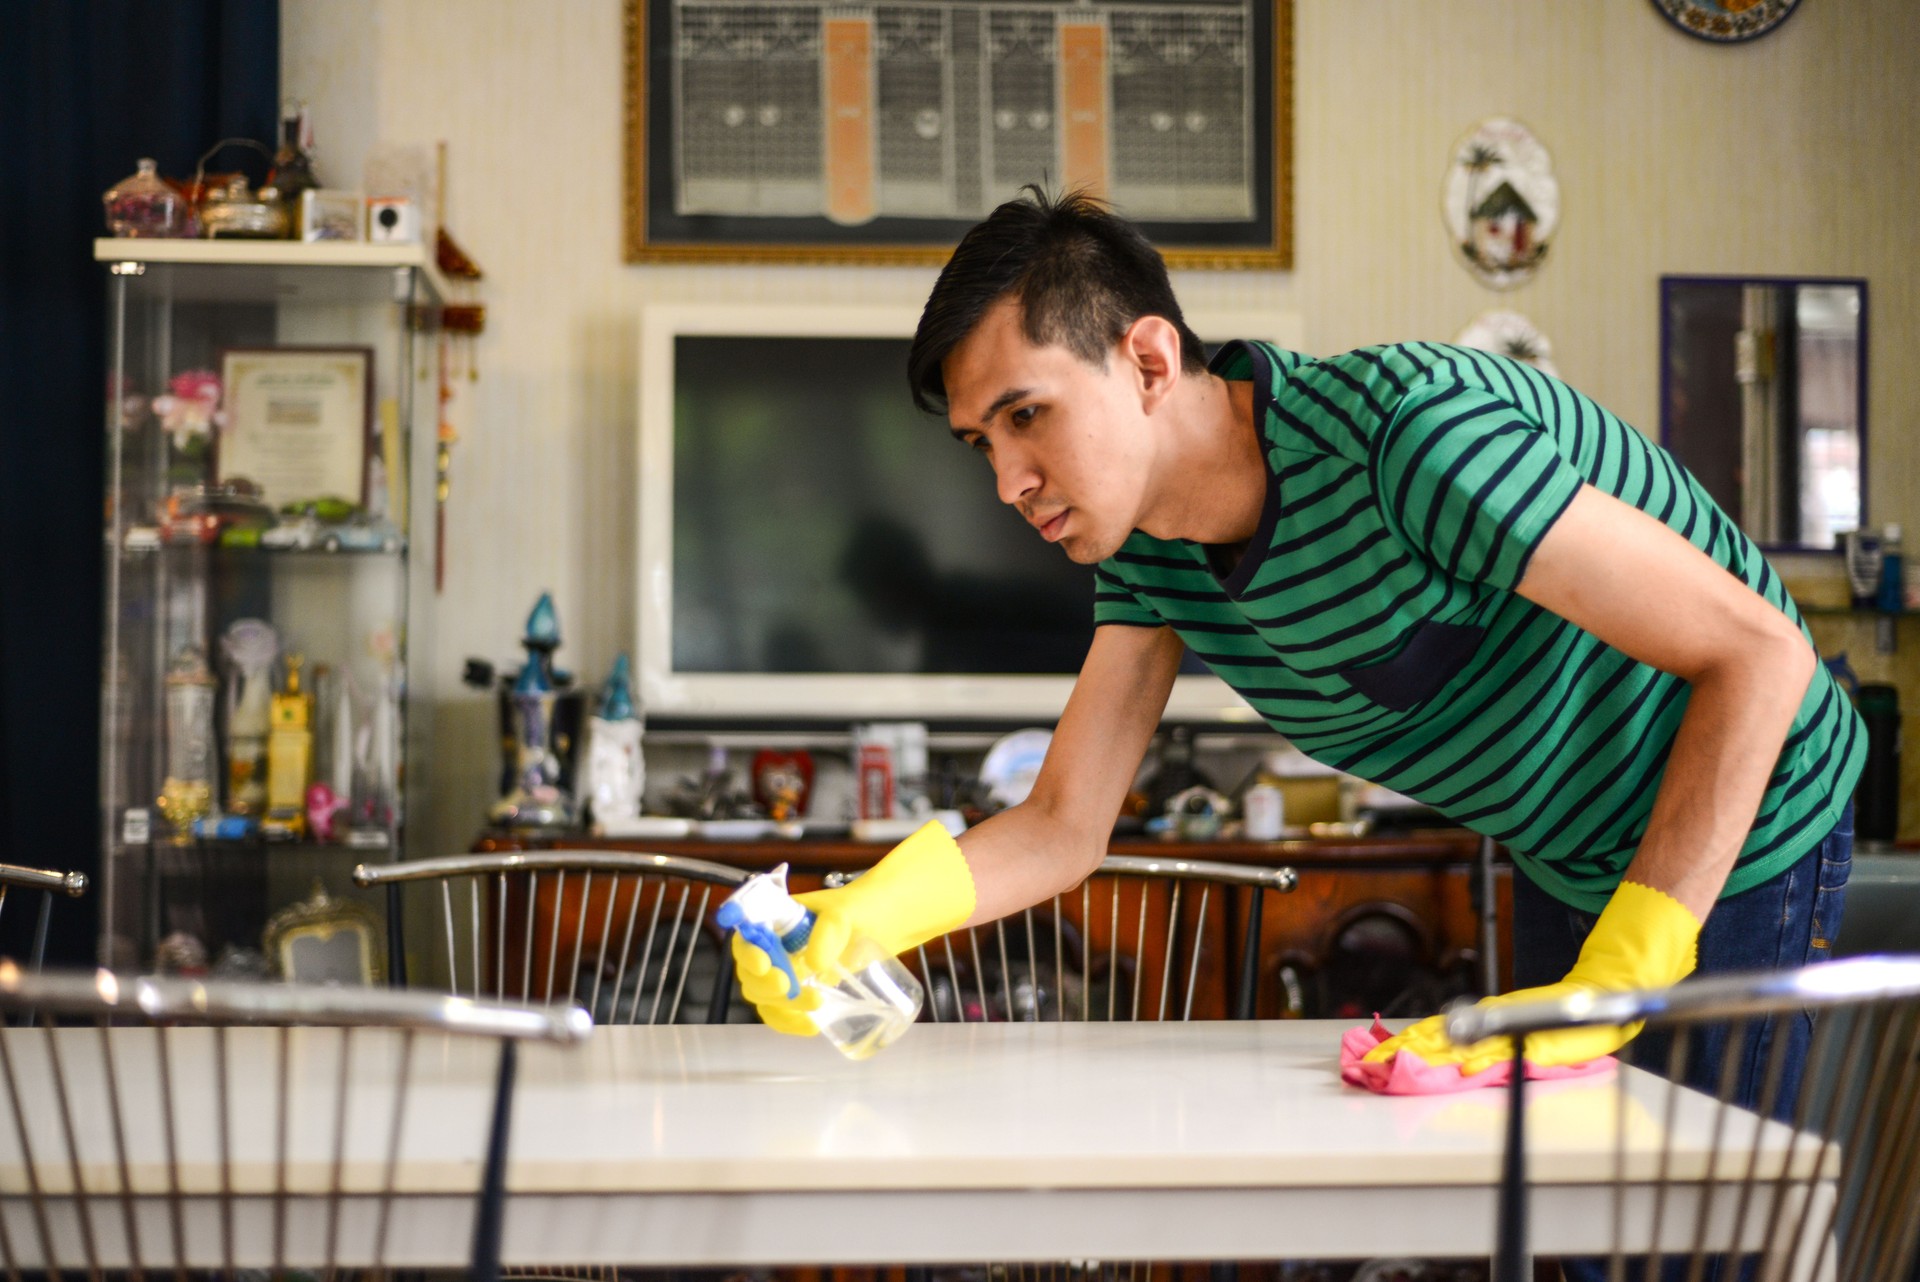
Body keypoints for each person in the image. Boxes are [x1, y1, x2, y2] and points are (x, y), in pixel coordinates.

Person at [731, 187, 1860, 1109]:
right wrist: (863, 912)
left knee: (1696, 1236)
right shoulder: (1149, 557)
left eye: (1028, 416)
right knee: (1576, 1223)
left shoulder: (1410, 440)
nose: (1006, 482)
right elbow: (1065, 825)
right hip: (1569, 855)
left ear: (1151, 360)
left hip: (1747, 818)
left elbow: (1761, 654)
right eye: (983, 441)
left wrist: (1629, 963)